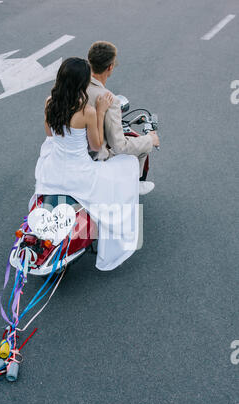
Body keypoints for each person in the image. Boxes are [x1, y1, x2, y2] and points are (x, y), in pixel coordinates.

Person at [34, 57, 143, 271]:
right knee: (127, 164)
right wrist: (101, 110)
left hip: (52, 170)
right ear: (83, 83)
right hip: (79, 174)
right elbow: (95, 145)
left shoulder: (50, 102)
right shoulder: (86, 111)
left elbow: (49, 133)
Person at [87, 41, 160, 195]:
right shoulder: (110, 100)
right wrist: (150, 140)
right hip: (95, 154)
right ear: (110, 67)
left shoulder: (75, 86)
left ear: (89, 61)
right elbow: (119, 146)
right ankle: (136, 184)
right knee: (141, 146)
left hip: (71, 149)